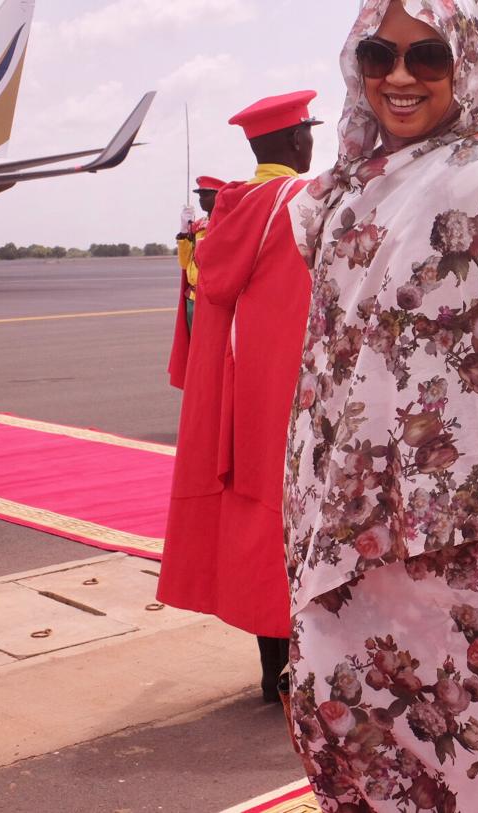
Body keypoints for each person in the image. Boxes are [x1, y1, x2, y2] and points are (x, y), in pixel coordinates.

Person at [282, 1, 478, 810]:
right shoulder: (351, 188)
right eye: (378, 55)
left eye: (427, 56)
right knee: (347, 721)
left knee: (472, 751)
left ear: (469, 59)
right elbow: (330, 368)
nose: (398, 76)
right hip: (349, 528)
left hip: (464, 542)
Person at [157, 90, 321, 703]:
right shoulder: (305, 201)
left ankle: (269, 670)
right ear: (295, 140)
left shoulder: (227, 211)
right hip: (293, 388)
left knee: (256, 524)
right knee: (300, 524)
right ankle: (303, 668)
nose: (311, 143)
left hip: (242, 390)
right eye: (308, 133)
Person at [167, 175, 225, 389]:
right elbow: (185, 263)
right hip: (193, 297)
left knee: (212, 349)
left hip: (211, 297)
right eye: (200, 195)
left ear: (219, 197)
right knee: (196, 349)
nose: (202, 199)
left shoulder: (226, 223)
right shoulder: (198, 226)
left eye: (207, 195)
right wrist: (184, 233)